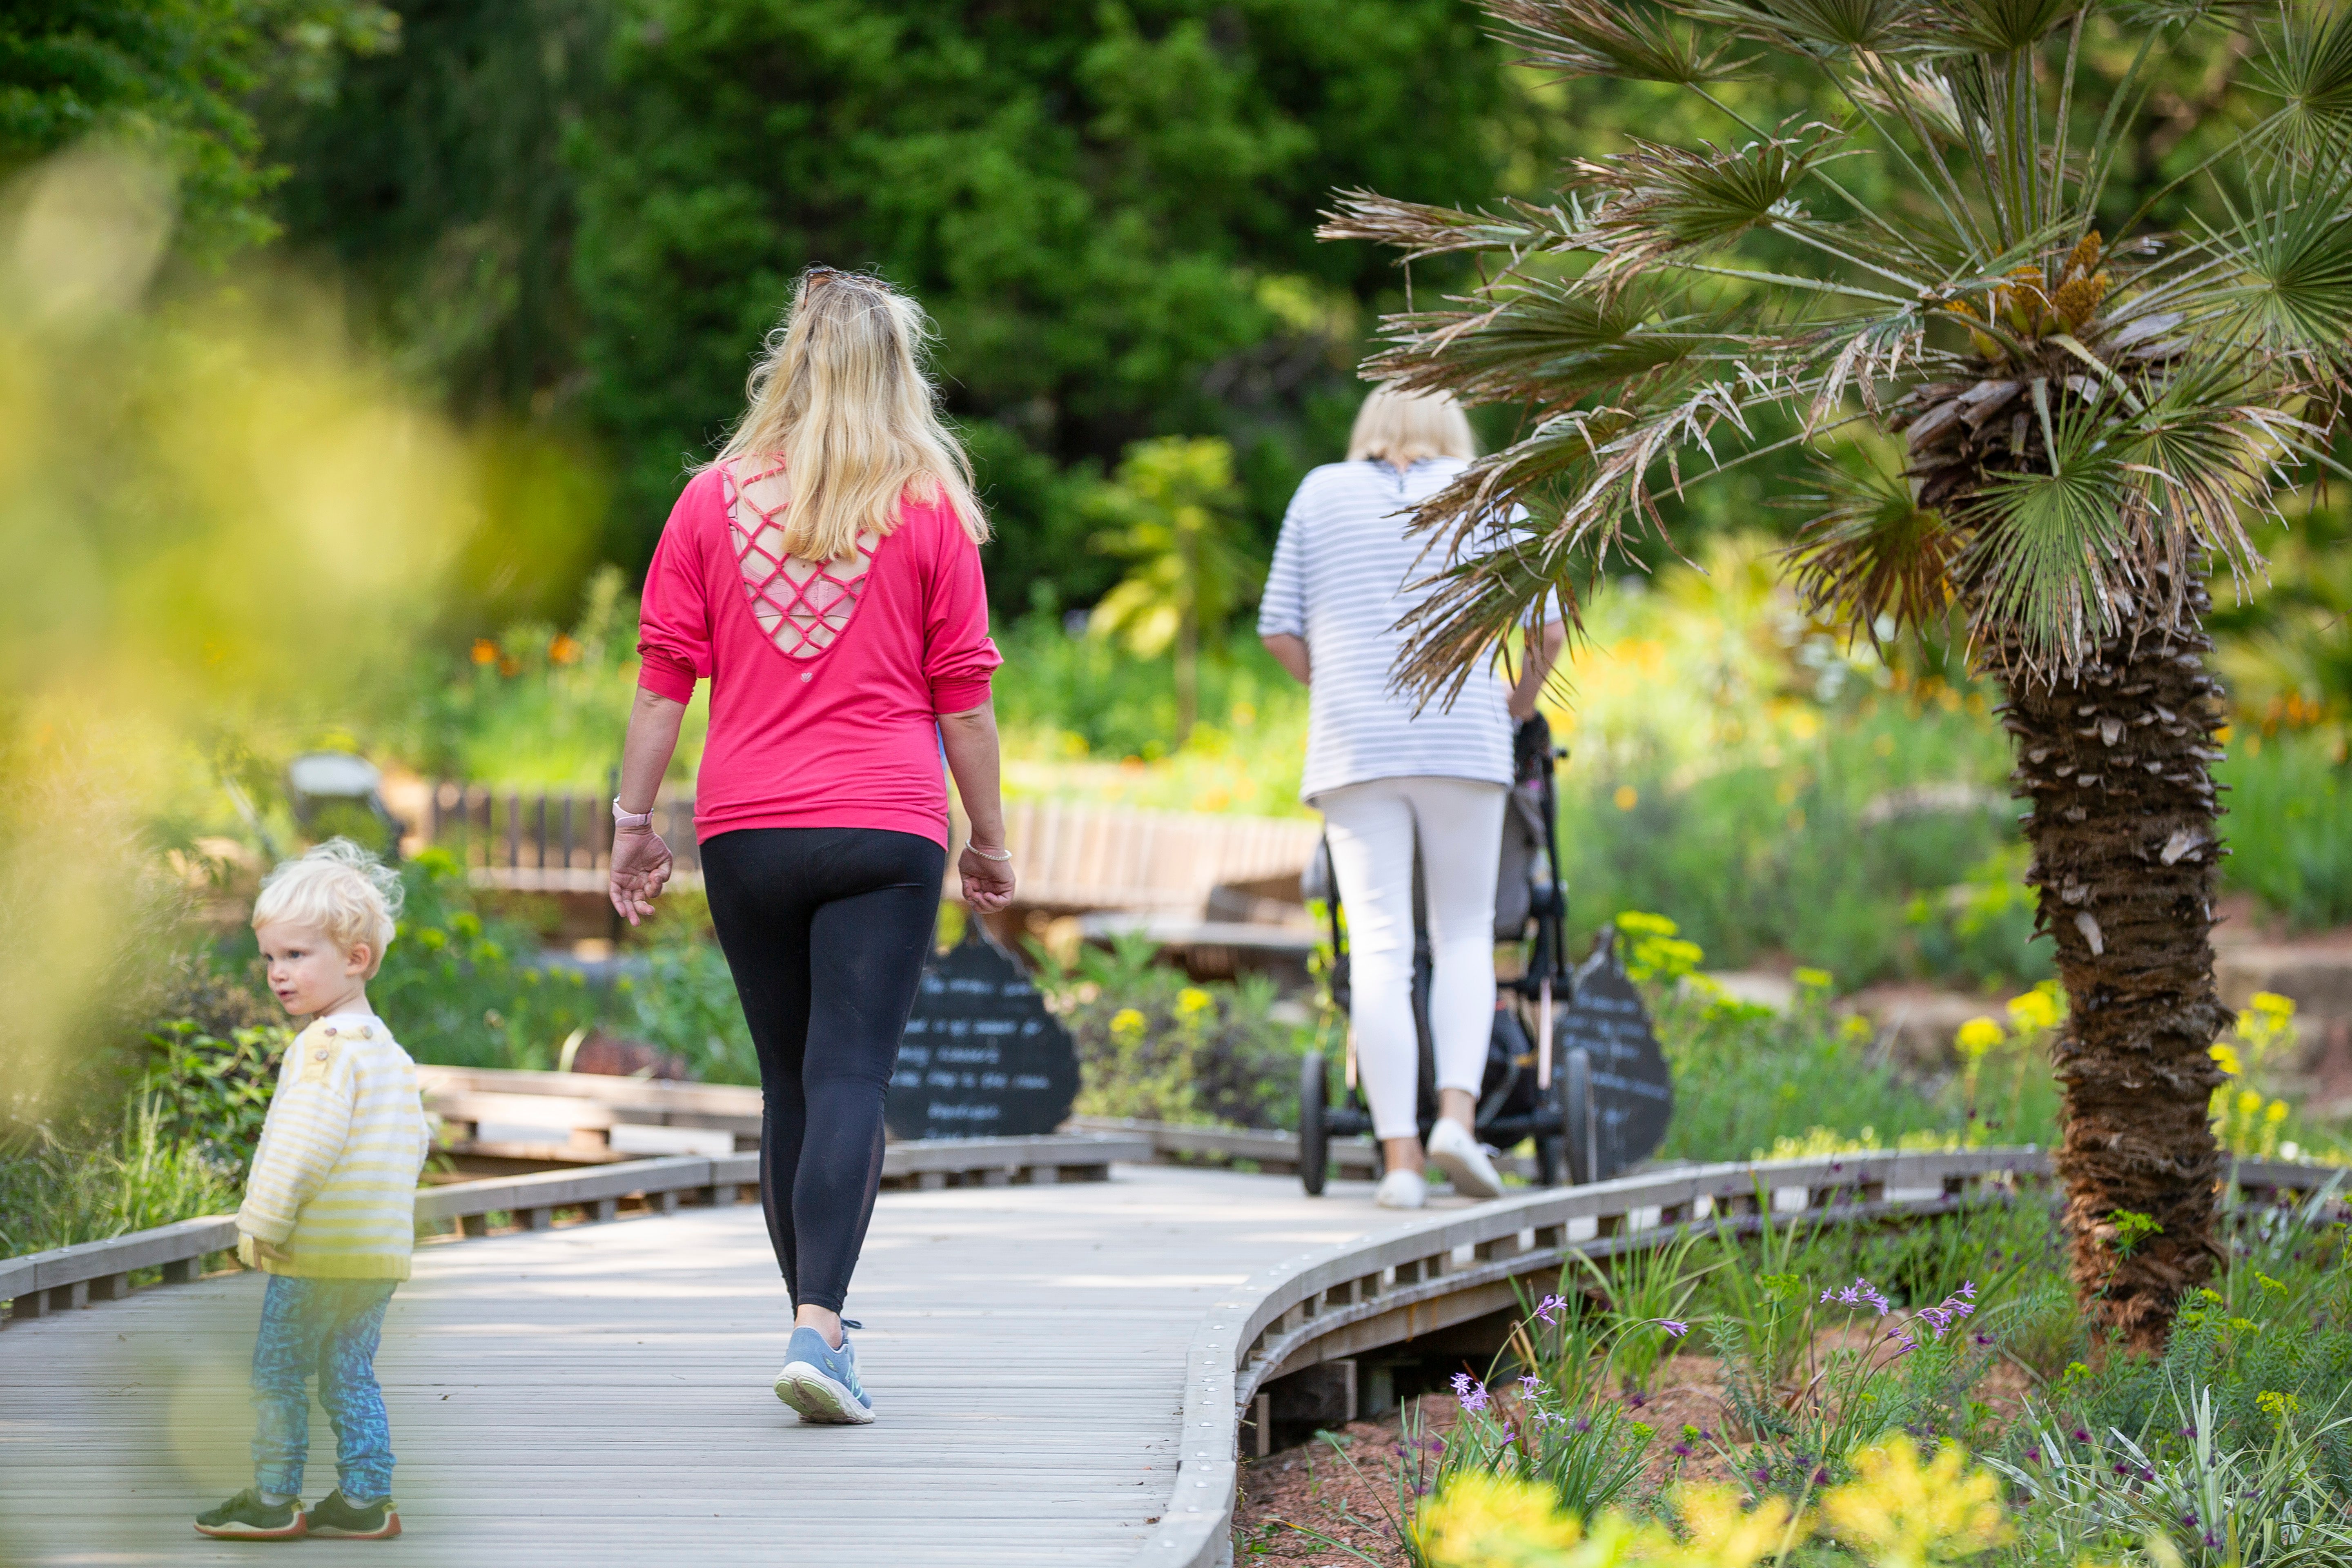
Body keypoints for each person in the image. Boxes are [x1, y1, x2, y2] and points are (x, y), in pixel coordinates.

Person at [609, 266, 1015, 1425]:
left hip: (749, 831)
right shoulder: (931, 504)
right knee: (850, 1076)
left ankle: (813, 1324)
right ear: (902, 372)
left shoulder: (709, 502)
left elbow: (658, 690)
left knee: (789, 1081)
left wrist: (635, 829)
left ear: (788, 361)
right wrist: (989, 840)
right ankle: (820, 1329)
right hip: (886, 827)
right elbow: (967, 701)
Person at [1259, 385, 1563, 1210]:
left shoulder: (1321, 491)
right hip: (1464, 739)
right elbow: (1549, 628)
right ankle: (1458, 1122)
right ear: (1449, 424)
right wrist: (1518, 706)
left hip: (1356, 746)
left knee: (1382, 950)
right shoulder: (1489, 487)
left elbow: (1278, 627)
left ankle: (1399, 1164)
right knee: (1466, 936)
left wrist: (1343, 687)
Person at [195, 840, 430, 1541]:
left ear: (355, 959)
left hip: (320, 1251)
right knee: (349, 1372)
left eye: (296, 956)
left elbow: (302, 1146)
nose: (277, 974)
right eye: (270, 957)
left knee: (276, 1372)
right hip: (376, 1255)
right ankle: (365, 1496)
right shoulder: (387, 1050)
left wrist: (262, 1221)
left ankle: (274, 1497)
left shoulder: (322, 1048)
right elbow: (413, 1144)